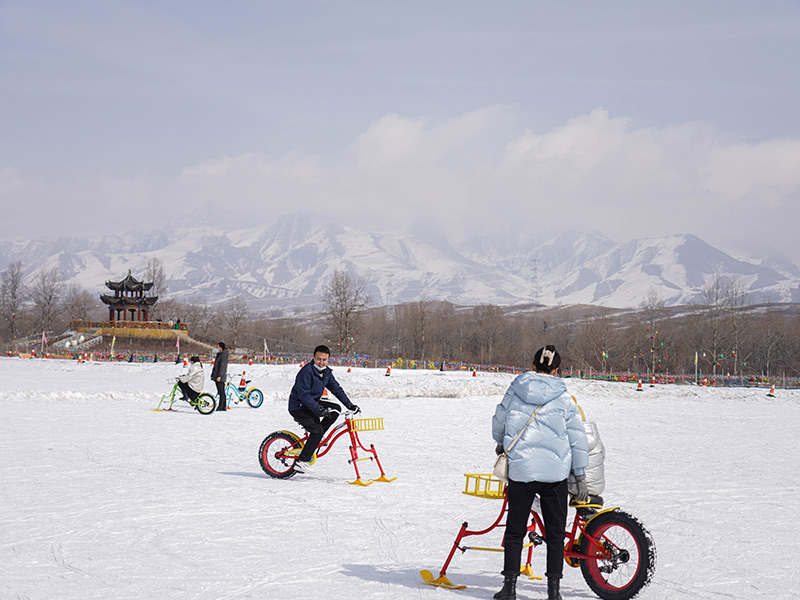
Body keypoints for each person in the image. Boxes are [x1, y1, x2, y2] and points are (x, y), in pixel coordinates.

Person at [491, 345, 589, 600]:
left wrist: (502, 443)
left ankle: (509, 588)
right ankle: (554, 592)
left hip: (521, 470)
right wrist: (579, 474)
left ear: (533, 366)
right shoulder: (564, 397)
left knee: (515, 530)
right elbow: (577, 438)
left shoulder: (516, 389)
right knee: (556, 534)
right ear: (557, 370)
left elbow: (499, 420)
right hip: (555, 474)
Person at [288, 345, 359, 473]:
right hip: (298, 406)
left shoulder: (326, 373)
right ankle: (301, 461)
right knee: (317, 431)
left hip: (312, 403)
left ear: (328, 359)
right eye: (318, 359)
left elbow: (336, 389)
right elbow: (304, 395)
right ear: (313, 358)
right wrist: (318, 409)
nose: (321, 362)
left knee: (334, 409)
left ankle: (317, 437)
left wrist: (350, 405)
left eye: (324, 360)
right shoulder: (306, 372)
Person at [210, 342, 229, 412]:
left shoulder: (223, 356)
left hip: (220, 376)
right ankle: (223, 405)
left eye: (218, 347)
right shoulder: (220, 355)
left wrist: (219, 376)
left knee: (221, 392)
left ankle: (221, 406)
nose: (217, 348)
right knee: (221, 391)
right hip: (217, 375)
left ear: (221, 348)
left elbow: (222, 367)